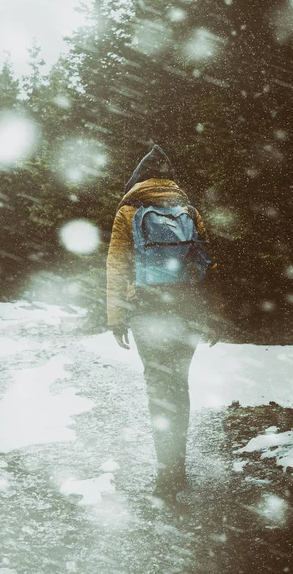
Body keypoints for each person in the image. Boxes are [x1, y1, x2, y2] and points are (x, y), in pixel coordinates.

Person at [106, 144, 221, 504]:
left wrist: (116, 316)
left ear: (139, 177)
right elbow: (207, 267)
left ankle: (165, 476)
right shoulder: (188, 210)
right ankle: (179, 470)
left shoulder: (129, 210)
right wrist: (211, 315)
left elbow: (117, 265)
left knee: (159, 390)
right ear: (171, 178)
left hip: (147, 311)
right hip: (185, 310)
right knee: (179, 386)